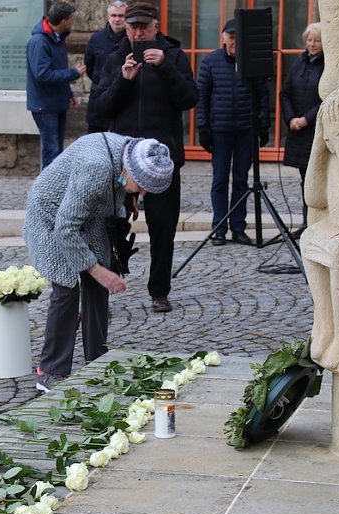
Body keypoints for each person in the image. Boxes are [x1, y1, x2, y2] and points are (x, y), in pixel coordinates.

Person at [24, 134, 173, 392]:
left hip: (88, 214)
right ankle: (50, 371)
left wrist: (128, 199)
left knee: (97, 286)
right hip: (52, 217)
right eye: (142, 186)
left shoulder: (132, 150)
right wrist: (97, 270)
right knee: (67, 289)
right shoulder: (95, 168)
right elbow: (65, 227)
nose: (144, 193)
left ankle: (97, 361)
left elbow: (115, 186)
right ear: (130, 169)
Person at [95, 1, 198, 313]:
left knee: (163, 227)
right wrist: (123, 80)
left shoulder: (174, 56)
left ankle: (159, 291)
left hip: (162, 158)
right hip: (122, 158)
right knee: (110, 224)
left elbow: (189, 98)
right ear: (126, 28)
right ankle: (104, 288)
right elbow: (102, 107)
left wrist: (165, 67)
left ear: (156, 27)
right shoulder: (115, 58)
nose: (138, 33)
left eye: (143, 27)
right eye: (133, 27)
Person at [197, 18, 270, 247]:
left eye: (238, 37)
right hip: (220, 130)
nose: (234, 41)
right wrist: (203, 127)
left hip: (246, 130)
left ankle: (238, 227)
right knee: (220, 180)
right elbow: (202, 97)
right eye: (231, 37)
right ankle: (219, 228)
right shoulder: (210, 61)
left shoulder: (252, 63)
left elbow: (263, 94)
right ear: (224, 38)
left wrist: (264, 125)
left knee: (241, 180)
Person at [26, 2, 86, 170]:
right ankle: (49, 184)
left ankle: (55, 182)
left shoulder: (56, 38)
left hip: (56, 102)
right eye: (72, 19)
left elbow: (58, 69)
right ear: (63, 21)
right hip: (45, 105)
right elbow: (43, 74)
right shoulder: (40, 42)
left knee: (57, 151)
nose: (73, 22)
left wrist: (68, 94)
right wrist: (73, 73)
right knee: (51, 152)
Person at [279, 22, 323, 237]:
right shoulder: (299, 62)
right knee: (304, 179)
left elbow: (326, 97)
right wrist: (291, 119)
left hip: (314, 130)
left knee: (316, 179)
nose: (312, 44)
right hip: (297, 129)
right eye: (309, 40)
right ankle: (306, 222)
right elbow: (285, 93)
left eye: (316, 40)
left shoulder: (327, 65)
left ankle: (316, 222)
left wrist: (306, 119)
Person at [83, 0, 127, 133]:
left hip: (124, 100)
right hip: (100, 98)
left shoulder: (132, 39)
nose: (117, 19)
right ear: (108, 17)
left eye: (121, 16)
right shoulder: (96, 39)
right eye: (114, 15)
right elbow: (89, 66)